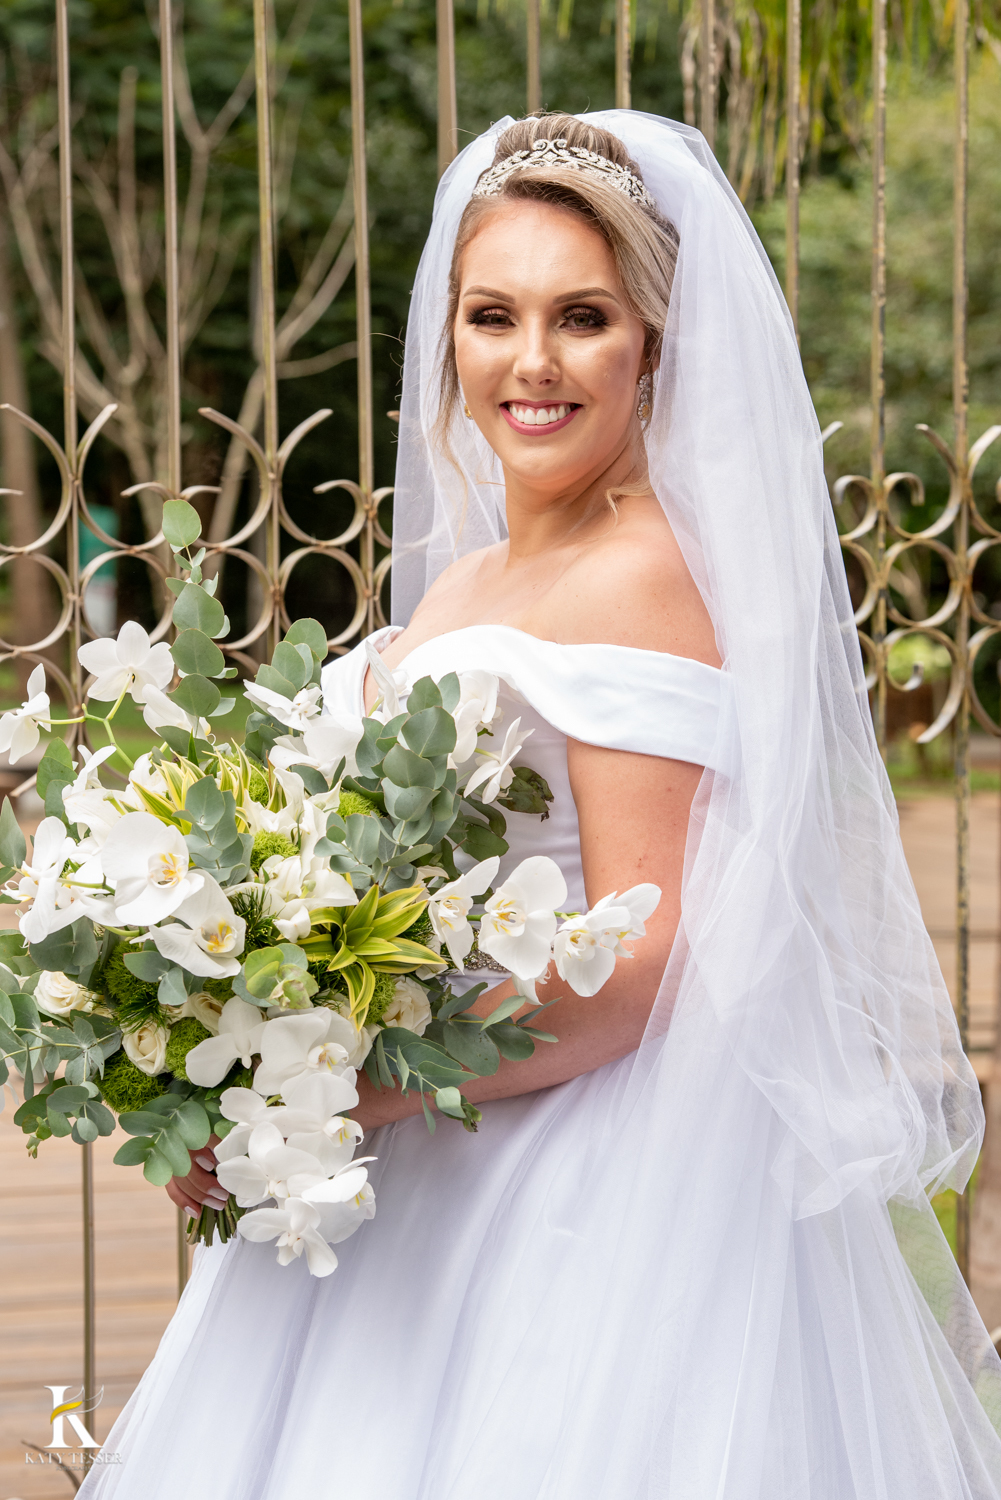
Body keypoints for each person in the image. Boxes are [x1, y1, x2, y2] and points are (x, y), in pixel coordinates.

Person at [82, 111, 1001, 1499]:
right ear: (444, 339)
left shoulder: (643, 574)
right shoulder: (459, 589)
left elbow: (641, 962)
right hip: (421, 1143)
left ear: (651, 343)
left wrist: (332, 1092)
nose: (530, 362)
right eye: (490, 314)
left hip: (575, 1183)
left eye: (582, 318)